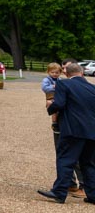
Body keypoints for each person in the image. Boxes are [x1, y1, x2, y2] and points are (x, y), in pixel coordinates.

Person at [38, 62, 95, 204]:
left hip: (73, 130)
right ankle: (93, 195)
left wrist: (50, 107)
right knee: (89, 163)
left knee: (65, 160)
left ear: (66, 74)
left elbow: (59, 104)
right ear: (81, 73)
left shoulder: (64, 84)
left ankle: (59, 192)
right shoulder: (92, 88)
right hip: (92, 131)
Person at [42, 63, 80, 193]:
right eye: (63, 68)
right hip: (61, 123)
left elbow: (58, 103)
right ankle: (70, 183)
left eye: (64, 69)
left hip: (71, 126)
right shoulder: (58, 82)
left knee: (73, 156)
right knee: (63, 154)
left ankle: (81, 186)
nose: (63, 71)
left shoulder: (67, 84)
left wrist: (51, 108)